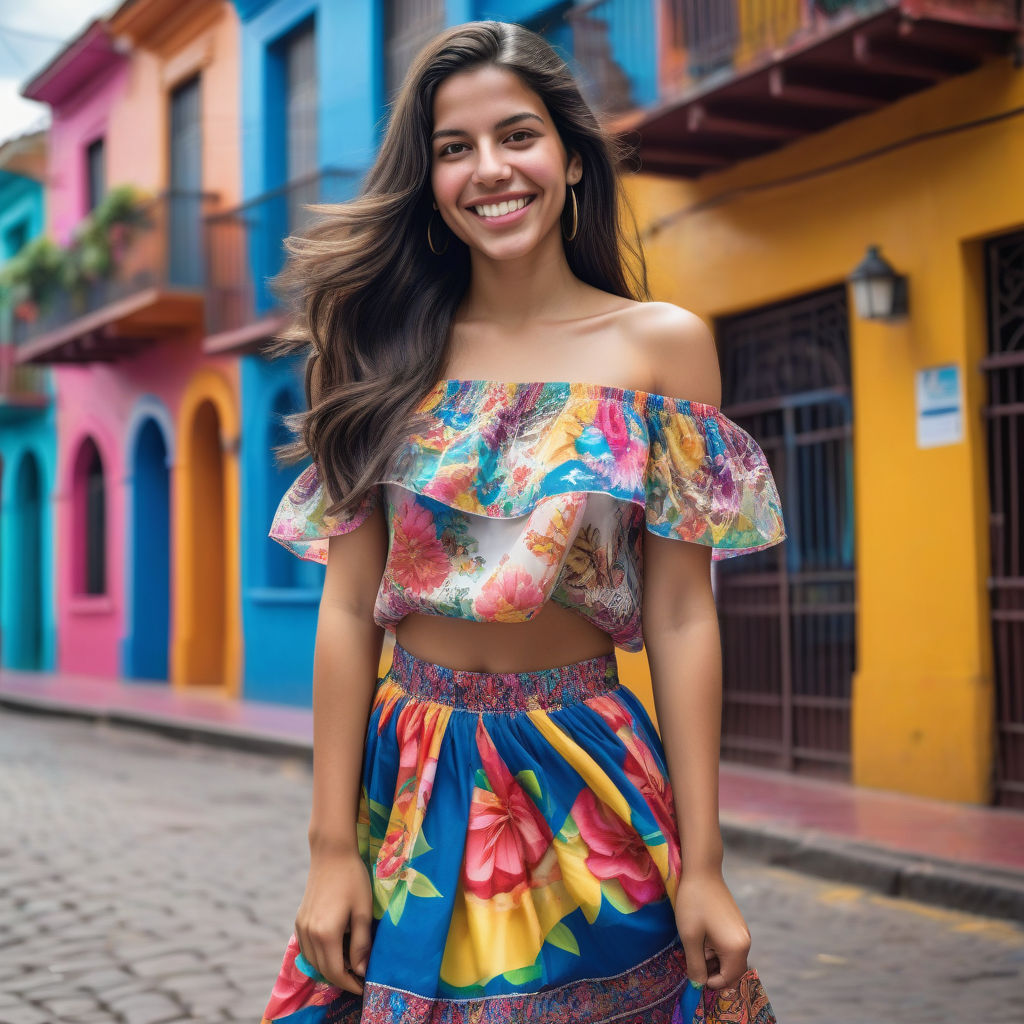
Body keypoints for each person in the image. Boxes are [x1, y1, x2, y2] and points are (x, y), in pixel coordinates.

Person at [258, 20, 785, 1024]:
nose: (489, 170)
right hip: (412, 776)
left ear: (573, 159)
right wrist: (331, 851)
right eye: (453, 149)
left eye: (517, 136)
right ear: (428, 183)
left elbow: (680, 615)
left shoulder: (661, 348)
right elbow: (344, 613)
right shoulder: (372, 354)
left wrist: (706, 863)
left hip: (594, 768)